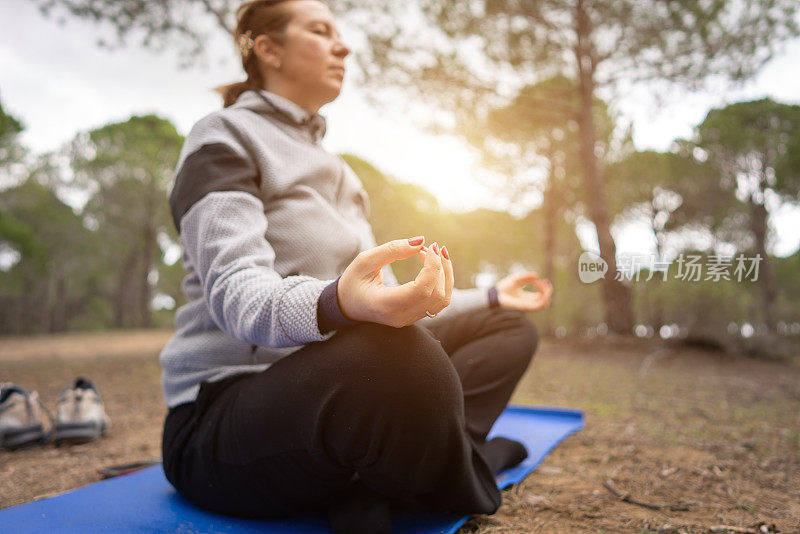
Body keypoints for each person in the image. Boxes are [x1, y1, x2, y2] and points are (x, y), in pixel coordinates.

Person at [158, 0, 554, 532]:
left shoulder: (342, 174)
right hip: (224, 418)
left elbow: (392, 303)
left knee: (509, 328)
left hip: (336, 388)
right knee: (393, 356)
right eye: (321, 31)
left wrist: (490, 297)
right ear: (268, 49)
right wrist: (337, 302)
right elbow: (238, 295)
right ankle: (466, 465)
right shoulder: (222, 137)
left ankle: (385, 478)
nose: (343, 46)